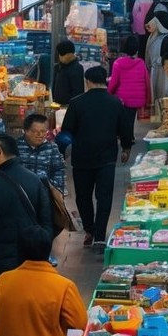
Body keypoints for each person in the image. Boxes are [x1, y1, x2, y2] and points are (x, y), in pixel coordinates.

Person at [62, 65, 130, 249]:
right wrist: (126, 148)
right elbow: (124, 128)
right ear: (105, 81)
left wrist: (63, 151)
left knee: (83, 197)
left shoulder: (76, 103)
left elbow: (66, 130)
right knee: (104, 196)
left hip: (82, 157)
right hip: (106, 157)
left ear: (88, 82)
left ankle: (90, 230)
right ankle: (100, 235)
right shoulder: (115, 102)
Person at [0, 133, 53, 277]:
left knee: (8, 292)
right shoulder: (34, 179)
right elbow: (46, 216)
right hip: (33, 251)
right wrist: (45, 242)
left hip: (4, 253)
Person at [109, 35, 152, 148]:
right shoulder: (141, 63)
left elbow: (114, 82)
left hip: (122, 98)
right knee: (130, 118)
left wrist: (109, 93)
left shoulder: (118, 63)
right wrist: (148, 99)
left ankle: (126, 138)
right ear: (137, 49)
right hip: (137, 98)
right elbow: (147, 82)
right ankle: (129, 136)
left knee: (123, 119)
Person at [16, 113, 66, 194]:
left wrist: (56, 189)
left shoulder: (52, 148)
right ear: (26, 131)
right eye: (35, 131)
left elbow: (59, 170)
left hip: (44, 194)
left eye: (43, 131)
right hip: (20, 194)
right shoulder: (15, 147)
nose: (40, 135)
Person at [146, 11, 168, 104]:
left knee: (162, 97)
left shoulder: (167, 39)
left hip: (164, 75)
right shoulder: (155, 36)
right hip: (156, 72)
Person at [51, 40, 85, 105]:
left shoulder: (77, 68)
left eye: (61, 54)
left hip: (69, 106)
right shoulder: (59, 66)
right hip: (57, 104)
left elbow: (78, 92)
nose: (60, 56)